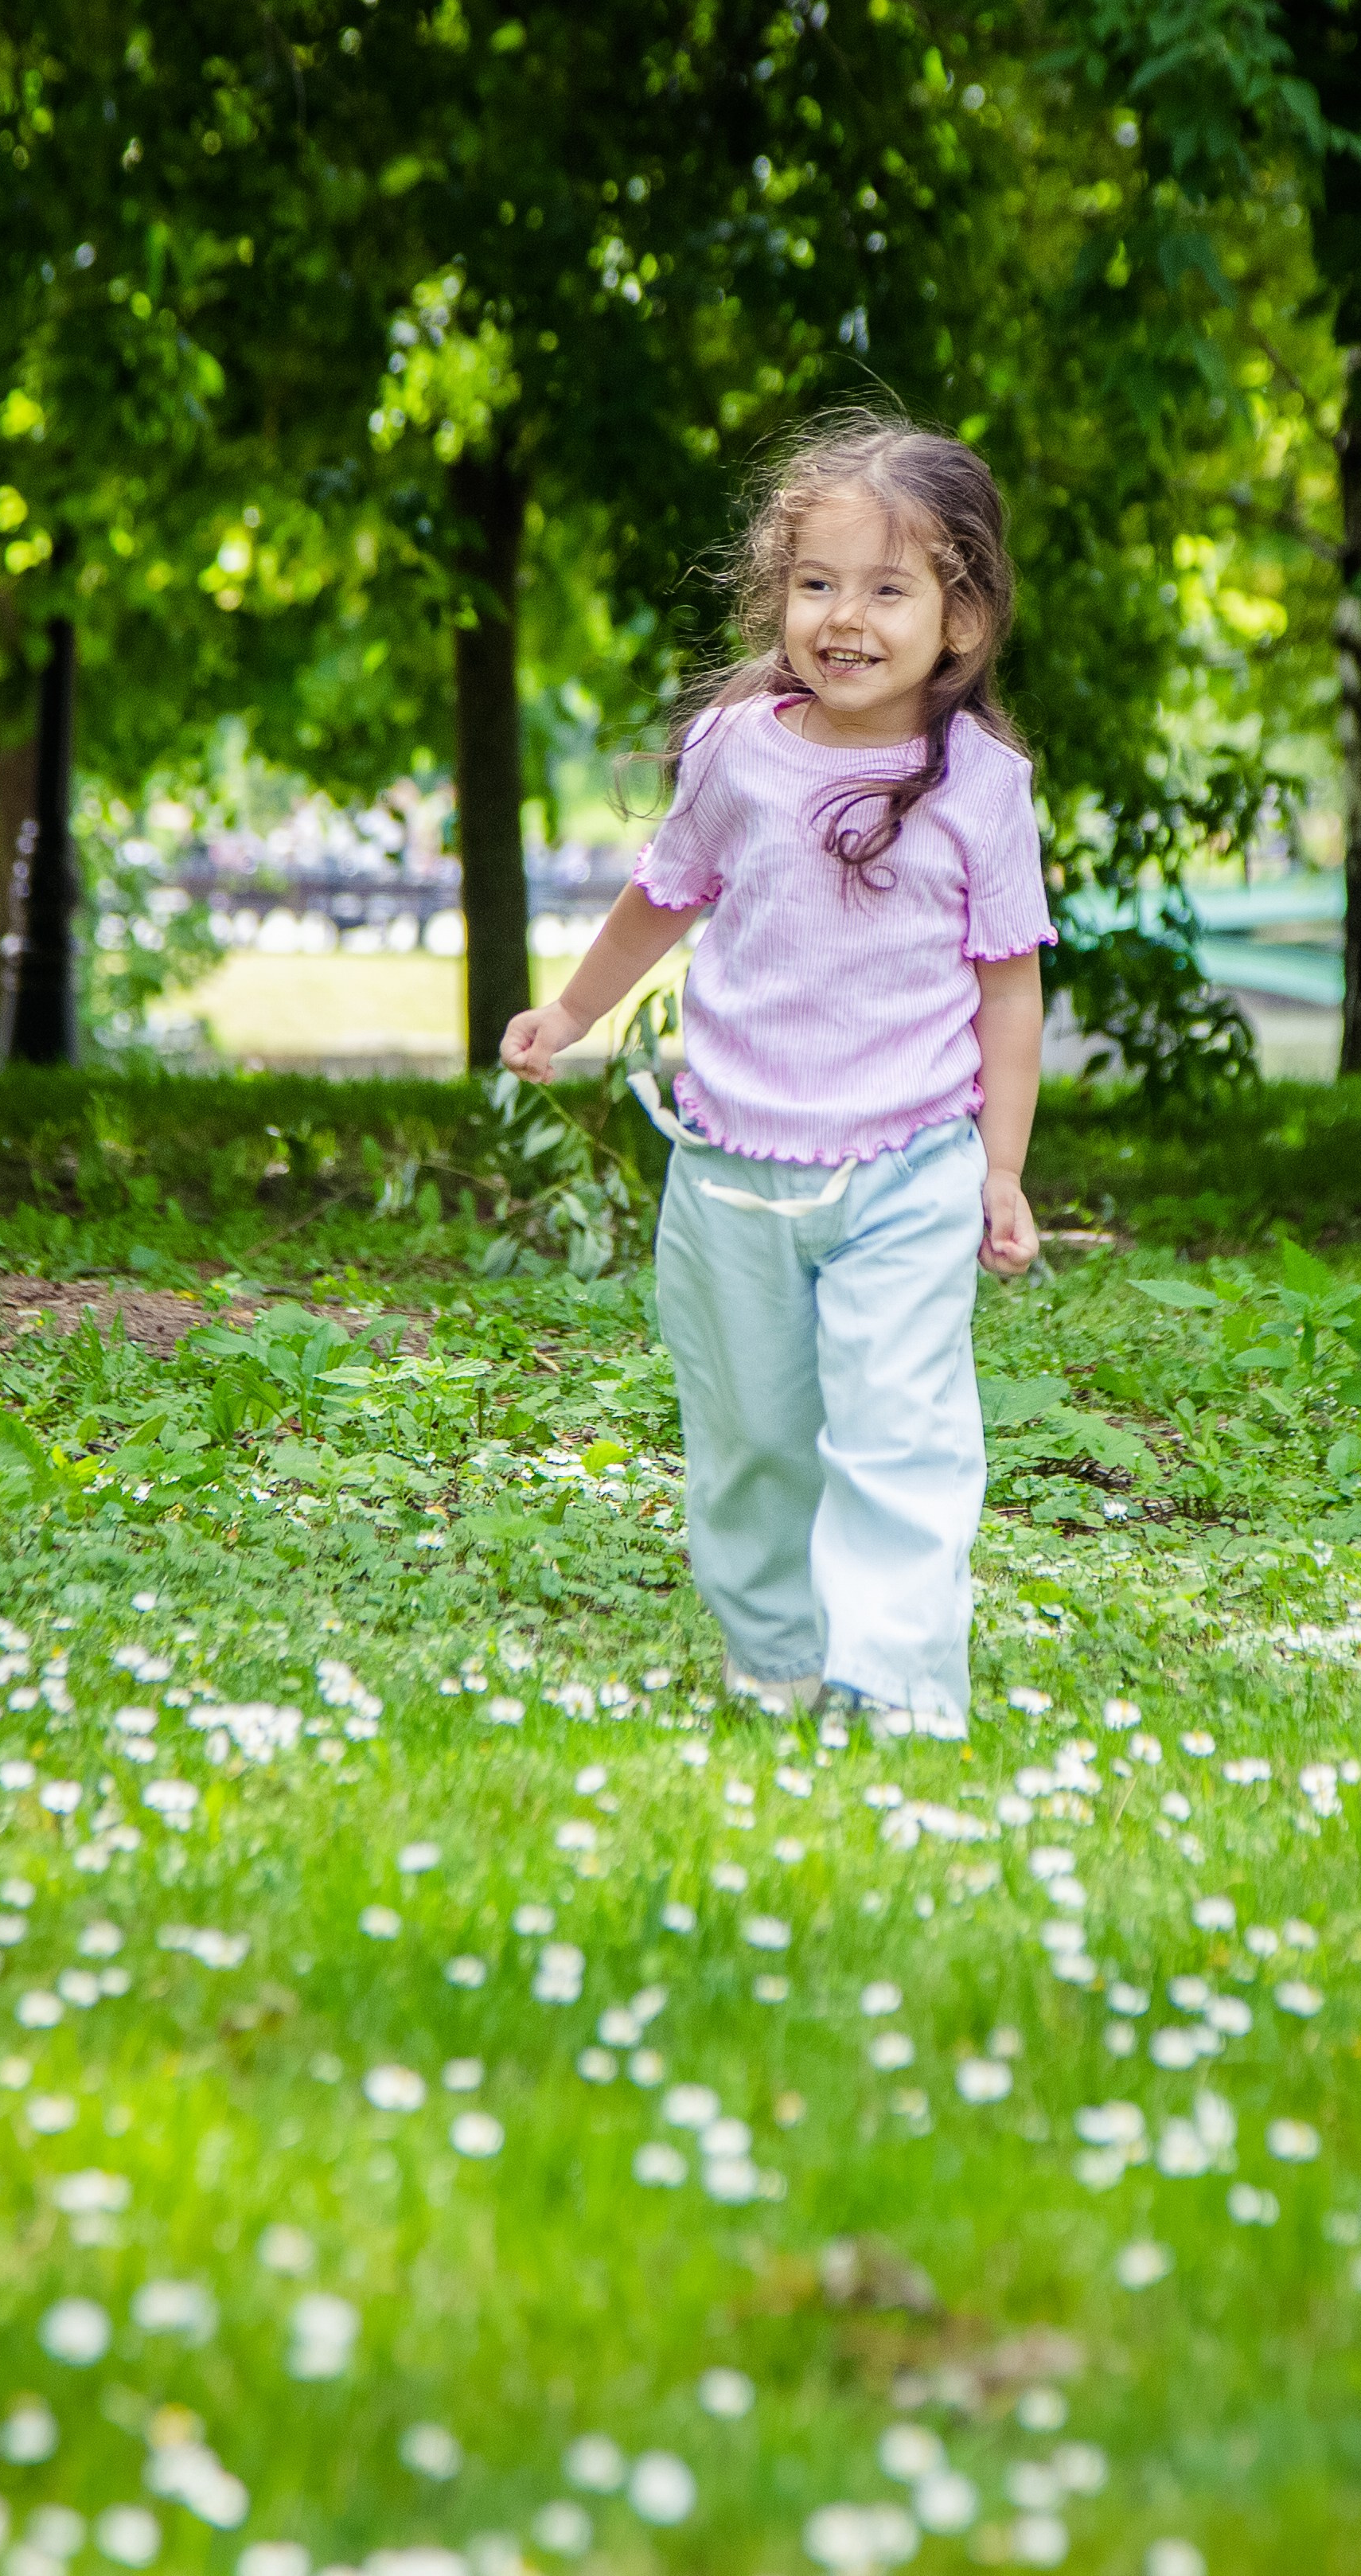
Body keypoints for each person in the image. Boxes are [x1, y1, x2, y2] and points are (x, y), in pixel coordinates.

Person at [500, 416, 1053, 1739]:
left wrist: (1004, 1170)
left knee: (900, 1427)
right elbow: (663, 895)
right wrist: (573, 1009)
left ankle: (903, 1685)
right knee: (750, 1440)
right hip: (732, 1173)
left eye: (885, 587)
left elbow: (1009, 989)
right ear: (779, 592)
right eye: (817, 583)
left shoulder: (983, 787)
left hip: (909, 1169)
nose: (843, 618)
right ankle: (779, 1659)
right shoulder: (739, 747)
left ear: (959, 614)